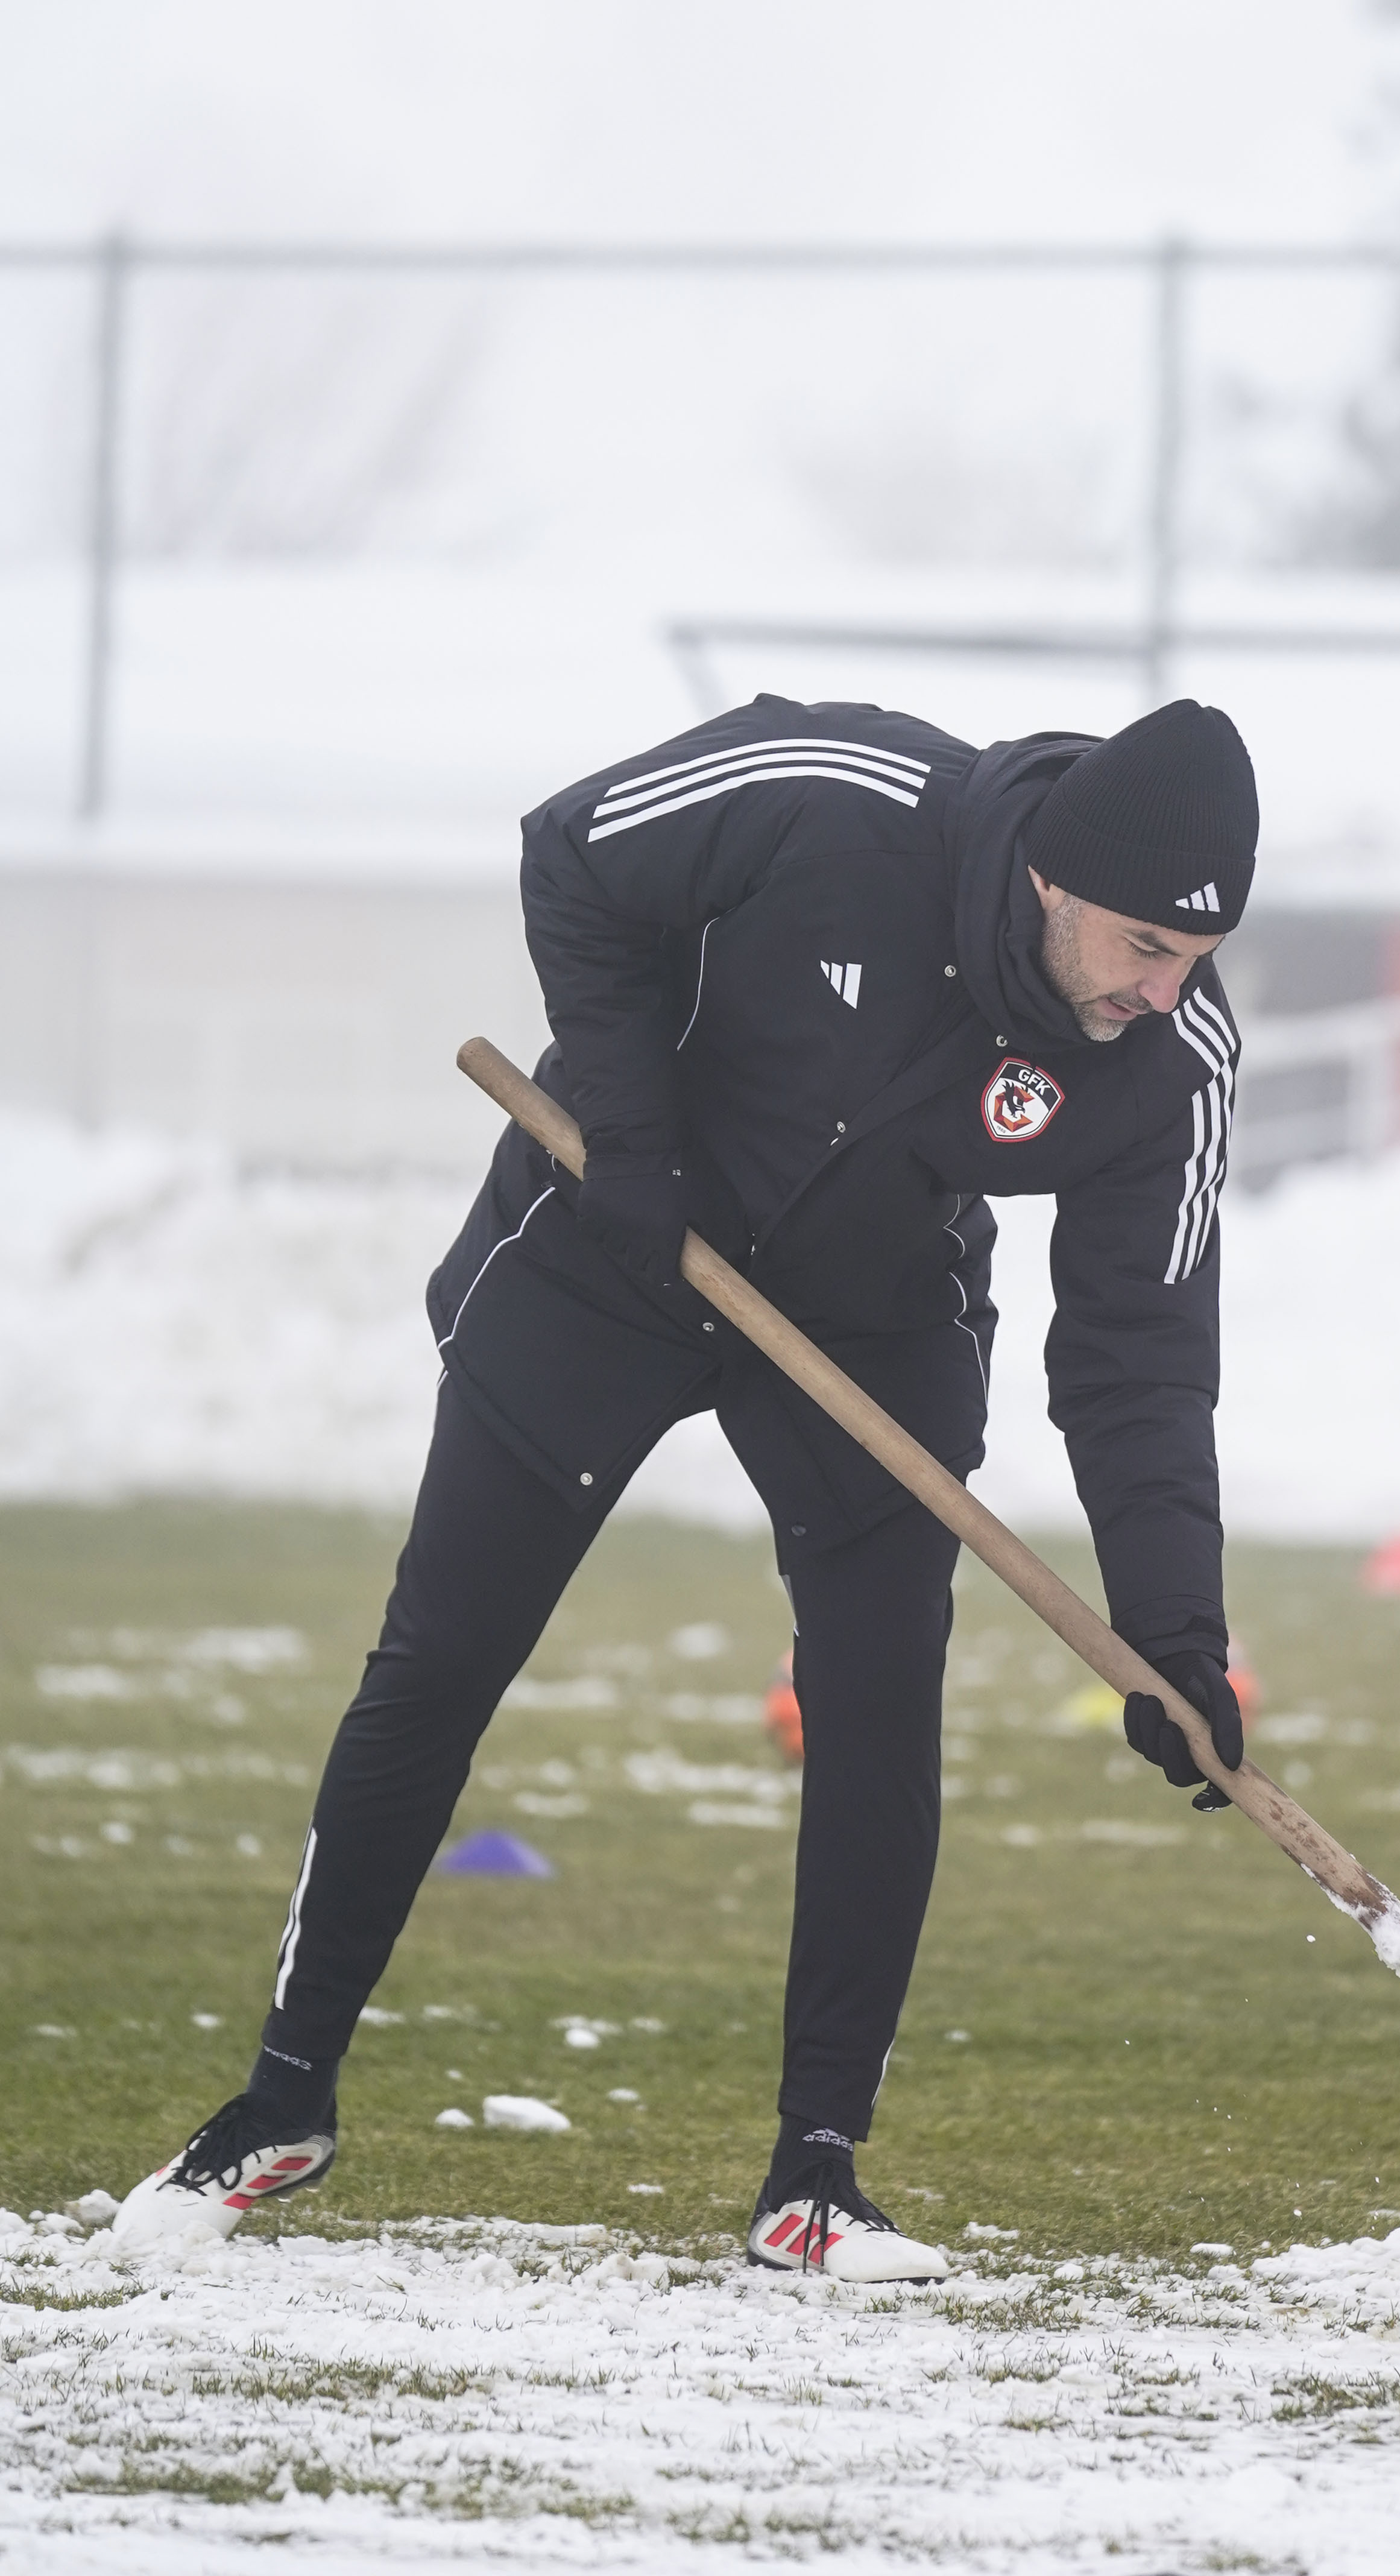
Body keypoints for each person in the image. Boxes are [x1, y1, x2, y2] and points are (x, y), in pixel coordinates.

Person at [115, 693, 1257, 2278]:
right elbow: (572, 854)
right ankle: (282, 2100)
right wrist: (637, 1140)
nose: (1166, 988)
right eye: (1145, 946)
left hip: (872, 1318)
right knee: (439, 1660)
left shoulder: (1174, 1061)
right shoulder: (840, 796)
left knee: (878, 1710)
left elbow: (1141, 1362)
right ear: (1054, 880)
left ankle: (817, 2175)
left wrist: (1173, 1637)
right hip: (617, 1237)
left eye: (1198, 958)